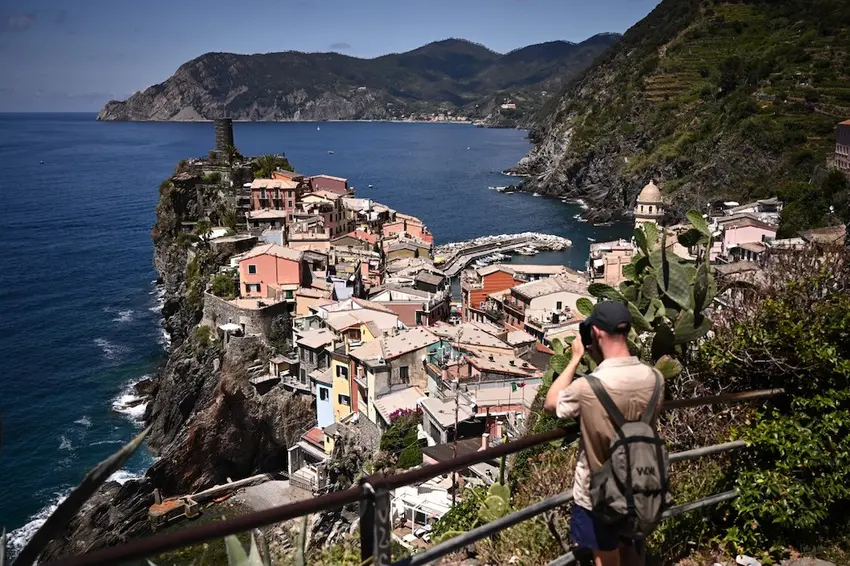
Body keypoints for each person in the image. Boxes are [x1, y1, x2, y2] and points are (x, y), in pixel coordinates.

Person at [544, 301, 663, 566]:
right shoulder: (655, 378)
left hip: (597, 492)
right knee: (629, 546)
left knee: (605, 558)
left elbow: (551, 403)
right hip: (640, 480)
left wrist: (575, 357)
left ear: (595, 333)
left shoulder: (588, 388)